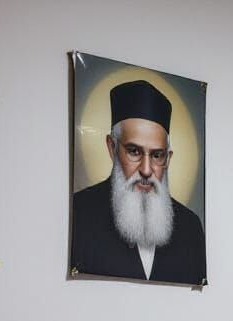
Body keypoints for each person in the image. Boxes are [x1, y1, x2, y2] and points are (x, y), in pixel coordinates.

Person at [71, 79, 206, 285]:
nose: (145, 170)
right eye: (134, 151)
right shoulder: (79, 212)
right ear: (112, 147)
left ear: (168, 158)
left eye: (157, 155)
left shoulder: (190, 227)